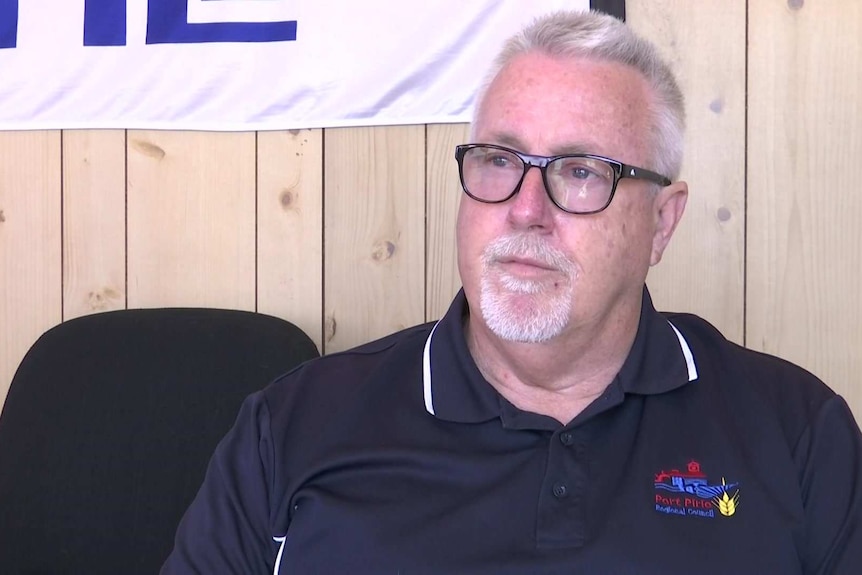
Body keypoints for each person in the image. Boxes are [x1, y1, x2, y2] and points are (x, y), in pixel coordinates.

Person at [161, 10, 862, 574]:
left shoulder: (799, 434)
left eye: (582, 171)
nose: (526, 208)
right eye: (499, 160)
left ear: (661, 221)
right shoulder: (289, 428)